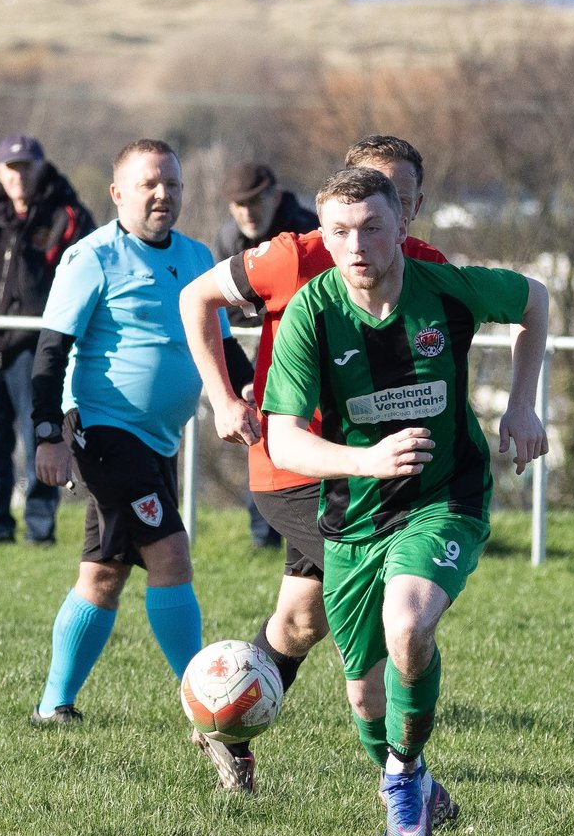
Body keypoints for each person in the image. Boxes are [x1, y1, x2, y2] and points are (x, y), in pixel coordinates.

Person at [260, 164, 548, 836]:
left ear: (401, 228)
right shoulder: (313, 313)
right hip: (357, 514)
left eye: (372, 228)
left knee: (409, 626)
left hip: (445, 497)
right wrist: (366, 460)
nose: (356, 245)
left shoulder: (445, 293)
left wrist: (521, 401)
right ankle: (408, 770)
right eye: (339, 232)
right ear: (323, 237)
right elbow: (284, 439)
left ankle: (400, 774)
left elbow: (534, 298)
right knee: (364, 697)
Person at [178, 135, 446, 796]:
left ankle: (227, 723)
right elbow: (196, 299)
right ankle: (408, 782)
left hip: (370, 473)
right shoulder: (294, 256)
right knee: (387, 604)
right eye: (370, 198)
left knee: (301, 621)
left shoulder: (426, 267)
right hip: (295, 469)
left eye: (400, 202)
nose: (382, 220)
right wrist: (221, 396)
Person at [28, 139, 232, 785]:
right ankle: (213, 712)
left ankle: (53, 705)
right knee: (170, 555)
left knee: (104, 574)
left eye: (171, 183)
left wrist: (252, 400)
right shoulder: (91, 258)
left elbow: (226, 353)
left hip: (158, 441)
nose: (162, 194)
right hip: (100, 430)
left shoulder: (199, 259)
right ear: (118, 194)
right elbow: (49, 352)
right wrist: (46, 435)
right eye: (148, 184)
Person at [0, 133, 92, 544]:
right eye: (10, 167)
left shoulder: (67, 215)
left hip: (35, 348)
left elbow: (84, 274)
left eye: (25, 167)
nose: (17, 176)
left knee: (40, 441)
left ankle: (40, 530)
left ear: (40, 168)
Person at [224, 159, 317, 550]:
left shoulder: (308, 228)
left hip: (305, 351)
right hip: (252, 348)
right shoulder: (227, 237)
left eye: (254, 202)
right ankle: (262, 535)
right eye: (238, 205)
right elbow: (222, 309)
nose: (247, 213)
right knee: (257, 437)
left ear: (275, 196)